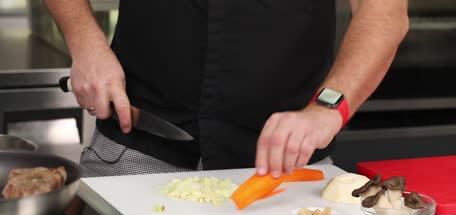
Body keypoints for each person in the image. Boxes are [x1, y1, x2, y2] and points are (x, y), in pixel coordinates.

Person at [45, 1, 408, 177]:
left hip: (286, 171)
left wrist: (328, 108)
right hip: (136, 149)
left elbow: (384, 13)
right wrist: (85, 43)